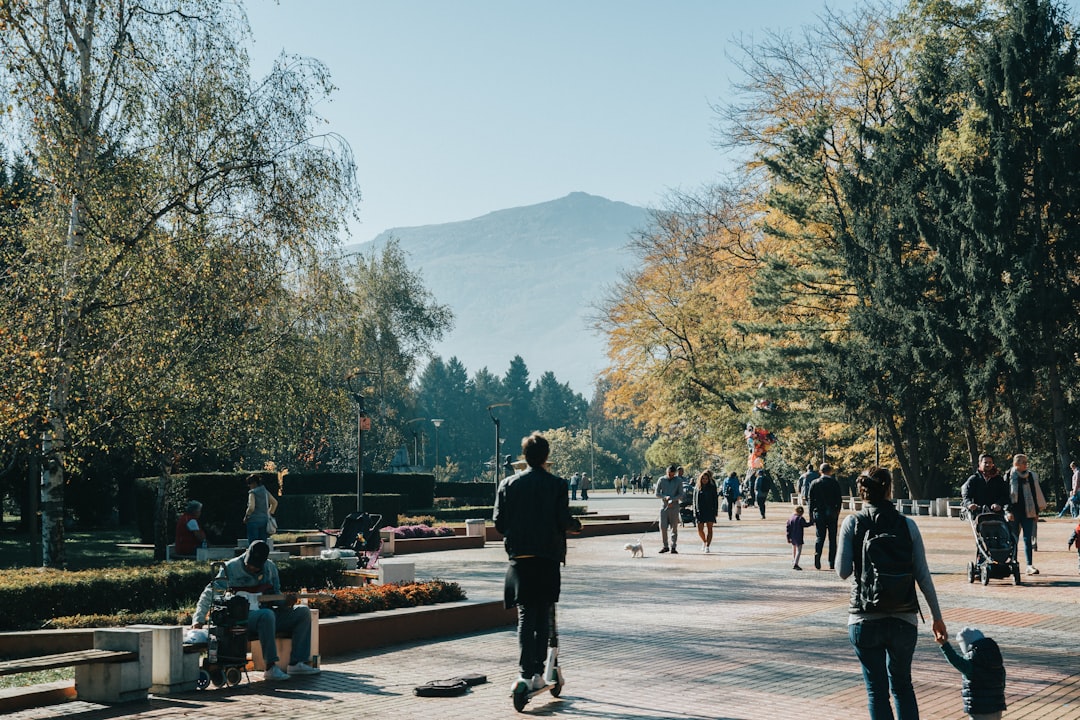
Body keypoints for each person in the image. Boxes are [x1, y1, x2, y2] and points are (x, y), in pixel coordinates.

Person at [838, 467, 947, 720]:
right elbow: (923, 575)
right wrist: (936, 617)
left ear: (862, 490)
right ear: (889, 489)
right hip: (903, 617)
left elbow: (842, 572)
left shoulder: (853, 522)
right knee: (902, 686)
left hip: (864, 617)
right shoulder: (908, 525)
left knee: (876, 691)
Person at [493, 432, 582, 693]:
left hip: (520, 558)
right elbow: (563, 520)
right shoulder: (557, 484)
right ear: (546, 456)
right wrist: (576, 526)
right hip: (547, 557)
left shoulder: (507, 484)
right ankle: (540, 672)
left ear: (524, 456)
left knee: (525, 617)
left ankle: (525, 671)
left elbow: (499, 523)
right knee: (543, 615)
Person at [192, 540, 319, 681]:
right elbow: (209, 593)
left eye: (256, 566)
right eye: (249, 564)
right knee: (267, 615)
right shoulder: (230, 568)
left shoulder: (270, 568)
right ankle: (270, 667)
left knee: (302, 612)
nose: (252, 568)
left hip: (267, 614)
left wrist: (286, 602)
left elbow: (275, 596)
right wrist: (198, 620)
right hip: (242, 617)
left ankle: (297, 663)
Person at [936, 627, 1007, 720]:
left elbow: (955, 660)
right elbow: (1003, 683)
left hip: (979, 710)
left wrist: (944, 645)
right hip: (997, 708)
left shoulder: (971, 666)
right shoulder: (996, 662)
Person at [1004, 453, 1046, 575]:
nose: (1025, 464)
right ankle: (1013, 563)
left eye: (1026, 462)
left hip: (1029, 512)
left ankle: (1029, 565)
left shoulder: (1031, 476)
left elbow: (1036, 493)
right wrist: (1007, 511)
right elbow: (1005, 495)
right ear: (1015, 464)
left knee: (1028, 539)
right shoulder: (1009, 476)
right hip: (1014, 512)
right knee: (1013, 539)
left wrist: (1037, 512)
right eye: (1023, 462)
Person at [808, 462, 843, 570]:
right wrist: (837, 511)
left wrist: (811, 515)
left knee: (820, 537)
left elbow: (810, 501)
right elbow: (839, 499)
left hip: (819, 513)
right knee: (832, 539)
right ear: (830, 471)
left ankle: (817, 558)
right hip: (832, 513)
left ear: (820, 471)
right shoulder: (834, 483)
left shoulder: (814, 483)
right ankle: (832, 562)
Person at [655, 464, 685, 554]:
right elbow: (657, 493)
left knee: (674, 528)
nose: (670, 476)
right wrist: (665, 497)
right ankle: (665, 546)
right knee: (663, 527)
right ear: (666, 472)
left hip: (674, 507)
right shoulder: (661, 479)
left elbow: (681, 494)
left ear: (675, 474)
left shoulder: (678, 481)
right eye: (669, 474)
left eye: (672, 474)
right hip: (664, 507)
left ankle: (673, 546)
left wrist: (673, 499)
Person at [243, 474, 278, 546]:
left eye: (249, 484)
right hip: (264, 520)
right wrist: (269, 512)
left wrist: (246, 516)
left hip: (253, 520)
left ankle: (253, 557)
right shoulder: (265, 491)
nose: (249, 486)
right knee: (262, 544)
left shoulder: (252, 493)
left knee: (253, 544)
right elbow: (274, 503)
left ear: (254, 483)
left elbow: (251, 507)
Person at [693, 470, 719, 553]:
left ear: (709, 479)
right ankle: (704, 541)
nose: (704, 480)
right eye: (703, 478)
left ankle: (708, 545)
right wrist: (694, 511)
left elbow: (715, 500)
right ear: (700, 479)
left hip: (710, 510)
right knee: (700, 529)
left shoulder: (712, 487)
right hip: (700, 510)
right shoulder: (697, 488)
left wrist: (715, 511)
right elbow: (694, 500)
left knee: (710, 529)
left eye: (706, 479)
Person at [786, 505, 812, 570]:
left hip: (792, 536)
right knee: (799, 550)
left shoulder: (791, 518)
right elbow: (805, 525)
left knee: (793, 549)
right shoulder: (800, 518)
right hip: (799, 536)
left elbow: (788, 528)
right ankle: (796, 563)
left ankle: (793, 560)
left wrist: (788, 537)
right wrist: (811, 523)